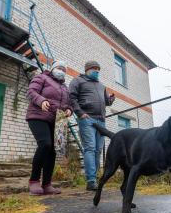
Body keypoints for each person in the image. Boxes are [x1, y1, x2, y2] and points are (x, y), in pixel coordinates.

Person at [26, 60, 72, 195]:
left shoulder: (65, 88)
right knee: (45, 144)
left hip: (56, 121)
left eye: (64, 69)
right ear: (52, 68)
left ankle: (47, 184)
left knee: (52, 150)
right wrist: (41, 100)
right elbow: (31, 91)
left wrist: (69, 109)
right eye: (59, 68)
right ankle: (34, 181)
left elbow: (68, 103)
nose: (61, 70)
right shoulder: (41, 77)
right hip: (38, 116)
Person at [69, 61, 115, 191]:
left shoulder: (101, 85)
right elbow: (72, 97)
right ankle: (90, 180)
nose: (97, 71)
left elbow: (106, 102)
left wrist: (110, 100)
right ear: (87, 69)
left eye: (98, 69)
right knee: (90, 148)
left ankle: (94, 179)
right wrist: (80, 113)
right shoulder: (78, 80)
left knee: (98, 150)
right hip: (87, 119)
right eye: (94, 69)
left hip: (101, 121)